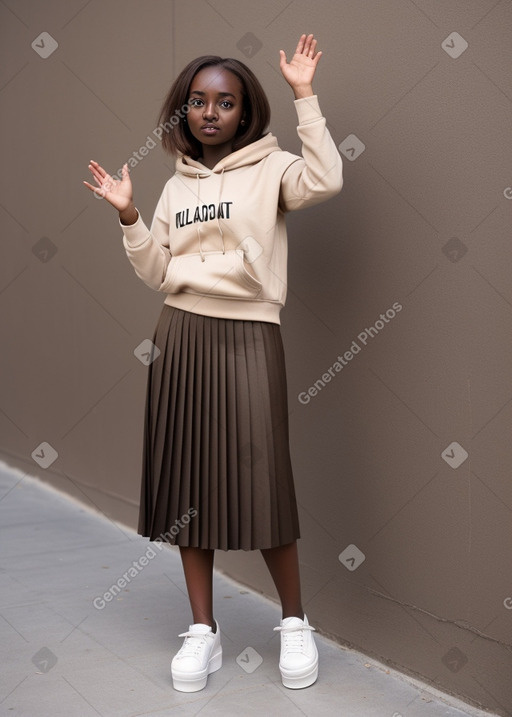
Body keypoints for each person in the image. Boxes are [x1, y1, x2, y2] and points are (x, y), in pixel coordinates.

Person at [84, 33, 343, 693]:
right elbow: (158, 271)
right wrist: (131, 216)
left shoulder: (274, 166)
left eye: (224, 102)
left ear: (245, 111)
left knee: (264, 484)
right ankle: (202, 628)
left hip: (250, 335)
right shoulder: (174, 187)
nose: (209, 112)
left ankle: (293, 621)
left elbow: (327, 179)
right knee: (185, 485)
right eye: (197, 101)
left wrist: (305, 95)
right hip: (180, 338)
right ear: (182, 111)